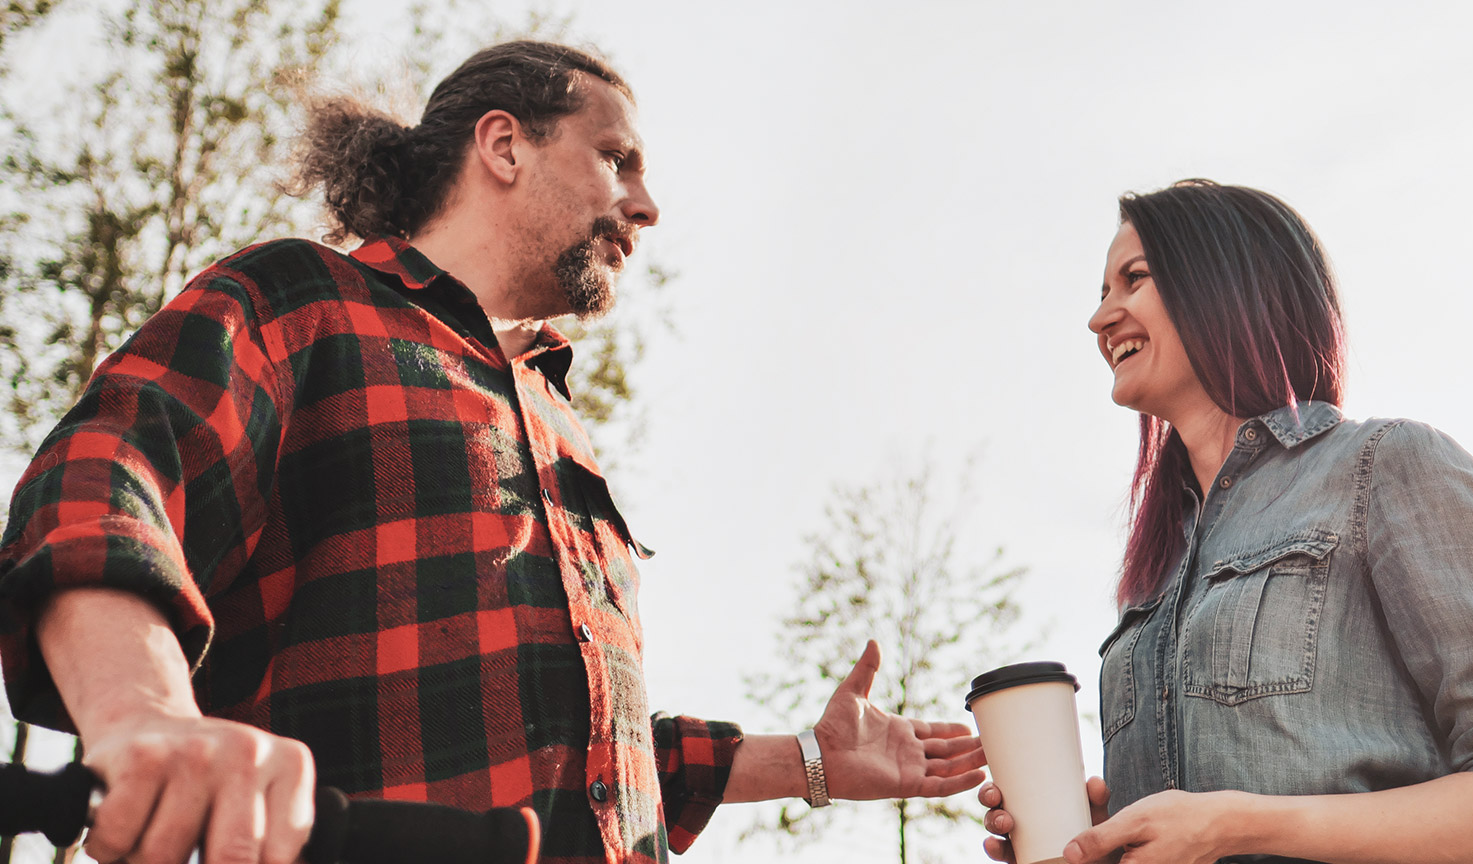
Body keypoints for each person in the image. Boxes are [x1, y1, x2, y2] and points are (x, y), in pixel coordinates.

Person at [0, 40, 986, 864]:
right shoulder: (298, 301)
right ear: (505, 145)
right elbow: (102, 481)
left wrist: (811, 761)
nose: (646, 205)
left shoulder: (558, 418)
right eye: (618, 159)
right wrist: (145, 718)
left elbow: (579, 751)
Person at [979, 180, 1473, 864]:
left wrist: (1239, 826)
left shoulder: (1386, 466)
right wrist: (1102, 836)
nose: (1101, 319)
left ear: (1225, 284)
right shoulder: (1157, 567)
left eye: (1135, 279)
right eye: (1101, 294)